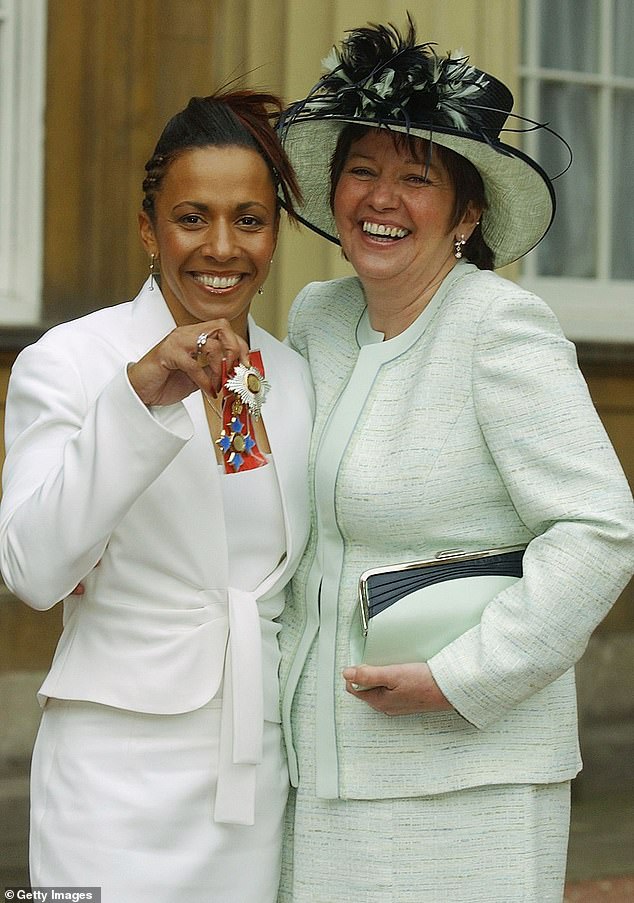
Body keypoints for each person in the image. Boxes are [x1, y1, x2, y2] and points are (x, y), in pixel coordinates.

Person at [274, 19, 634, 903]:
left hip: (467, 775)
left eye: (416, 178)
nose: (381, 198)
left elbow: (597, 530)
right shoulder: (317, 319)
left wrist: (460, 679)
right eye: (363, 169)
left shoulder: (499, 326)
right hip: (318, 766)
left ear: (467, 215)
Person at [0, 90, 314, 903]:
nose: (222, 246)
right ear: (149, 229)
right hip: (113, 776)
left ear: (274, 236)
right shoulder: (69, 361)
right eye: (192, 217)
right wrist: (137, 400)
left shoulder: (298, 380)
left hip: (255, 768)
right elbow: (32, 569)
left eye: (249, 219)